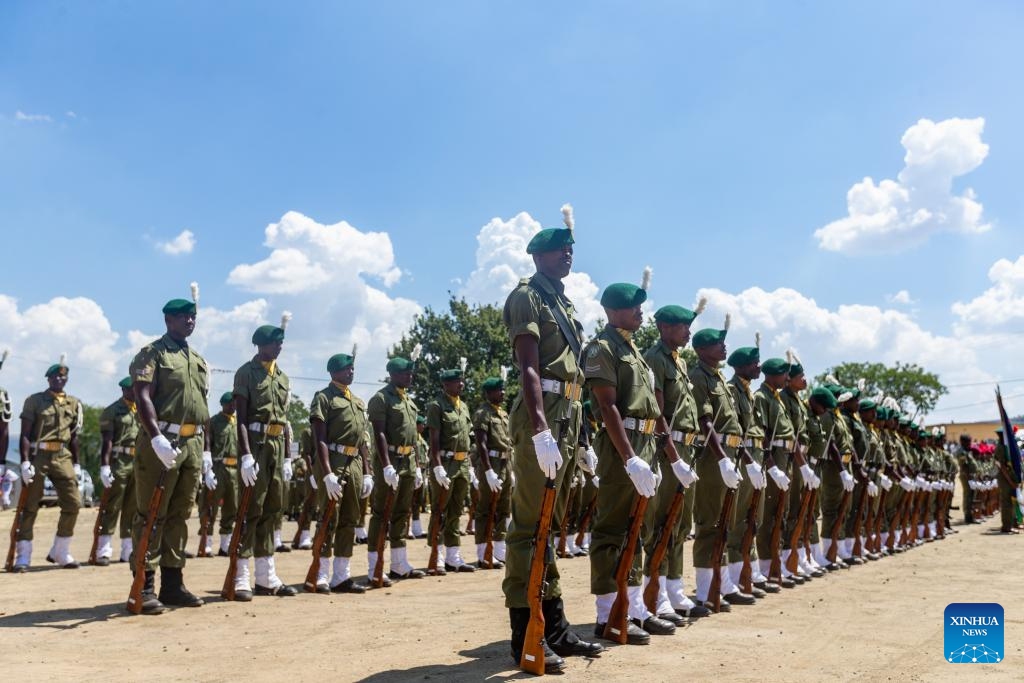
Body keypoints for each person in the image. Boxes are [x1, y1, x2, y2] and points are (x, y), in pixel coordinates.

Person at [501, 211, 603, 673]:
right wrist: (541, 427)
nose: (568, 255)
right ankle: (525, 633)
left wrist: (581, 436)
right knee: (529, 526)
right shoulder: (527, 298)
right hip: (543, 417)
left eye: (571, 249)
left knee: (552, 525)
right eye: (560, 249)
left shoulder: (563, 304)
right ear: (539, 255)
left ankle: (555, 625)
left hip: (569, 416)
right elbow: (529, 368)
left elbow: (576, 377)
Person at [585, 279, 694, 642]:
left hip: (646, 443)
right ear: (613, 310)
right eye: (634, 307)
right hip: (624, 446)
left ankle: (633, 607)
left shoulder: (632, 351)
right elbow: (607, 405)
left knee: (638, 528)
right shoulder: (603, 348)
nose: (640, 312)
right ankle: (606, 613)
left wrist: (670, 458)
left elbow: (655, 412)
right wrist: (630, 458)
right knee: (613, 530)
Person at [128, 287, 210, 612]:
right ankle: (143, 585)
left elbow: (201, 403)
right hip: (162, 440)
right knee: (151, 512)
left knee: (179, 513)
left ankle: (173, 584)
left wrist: (205, 450)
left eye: (193, 316)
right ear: (168, 320)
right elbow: (142, 395)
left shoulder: (197, 359)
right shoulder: (152, 354)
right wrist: (155, 436)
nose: (190, 321)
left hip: (193, 442)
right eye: (183, 316)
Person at [642, 303, 709, 620]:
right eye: (683, 326)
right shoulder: (656, 358)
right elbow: (657, 413)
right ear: (666, 327)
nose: (688, 332)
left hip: (686, 449)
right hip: (669, 450)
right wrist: (672, 458)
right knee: (662, 524)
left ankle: (674, 589)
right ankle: (656, 593)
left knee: (680, 525)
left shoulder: (678, 362)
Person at [230, 316, 297, 599]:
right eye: (275, 343)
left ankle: (266, 576)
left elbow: (283, 419)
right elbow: (241, 419)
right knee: (250, 510)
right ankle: (241, 577)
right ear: (261, 345)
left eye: (281, 342)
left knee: (272, 510)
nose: (280, 347)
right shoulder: (246, 373)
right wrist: (245, 455)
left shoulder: (281, 377)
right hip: (255, 445)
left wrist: (286, 457)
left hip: (276, 446)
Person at [688, 318, 745, 611]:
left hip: (728, 454)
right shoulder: (700, 376)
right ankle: (703, 590)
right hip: (713, 457)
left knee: (725, 522)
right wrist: (722, 459)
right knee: (710, 522)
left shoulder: (718, 377)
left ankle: (719, 584)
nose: (723, 346)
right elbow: (705, 421)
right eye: (716, 343)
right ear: (700, 349)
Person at [309, 351, 374, 593]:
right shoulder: (324, 398)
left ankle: (341, 575)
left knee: (350, 518)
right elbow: (320, 439)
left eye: (352, 368)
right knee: (329, 516)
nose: (351, 372)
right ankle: (321, 574)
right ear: (334, 371)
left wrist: (367, 472)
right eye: (346, 369)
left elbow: (363, 441)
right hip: (334, 460)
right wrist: (326, 473)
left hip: (354, 461)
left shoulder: (357, 401)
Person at [13, 356, 83, 571]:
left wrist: (78, 464)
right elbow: (25, 434)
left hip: (63, 456)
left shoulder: (74, 403)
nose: (59, 379)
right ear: (48, 378)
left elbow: (74, 437)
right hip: (39, 455)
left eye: (62, 376)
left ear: (67, 379)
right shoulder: (35, 401)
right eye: (55, 376)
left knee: (73, 503)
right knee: (30, 505)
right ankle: (23, 556)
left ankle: (60, 551)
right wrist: (25, 462)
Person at [366, 354, 425, 582]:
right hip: (390, 460)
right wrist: (386, 465)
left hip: (408, 461)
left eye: (411, 373)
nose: (409, 376)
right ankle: (375, 567)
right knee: (381, 514)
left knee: (402, 513)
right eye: (405, 373)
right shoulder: (381, 398)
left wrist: (418, 466)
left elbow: (414, 439)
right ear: (392, 374)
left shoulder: (409, 401)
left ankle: (399, 563)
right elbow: (379, 433)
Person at [723, 343, 771, 598]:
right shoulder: (732, 390)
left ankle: (746, 572)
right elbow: (737, 432)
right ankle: (732, 577)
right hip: (740, 456)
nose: (758, 367)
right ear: (741, 366)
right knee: (738, 520)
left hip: (752, 456)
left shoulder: (746, 391)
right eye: (754, 363)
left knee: (754, 519)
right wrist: (750, 462)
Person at [427, 366, 476, 573]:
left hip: (463, 464)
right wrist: (437, 466)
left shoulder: (463, 406)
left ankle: (453, 555)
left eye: (462, 381)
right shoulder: (436, 406)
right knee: (440, 510)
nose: (462, 384)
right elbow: (434, 440)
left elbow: (468, 438)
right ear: (446, 385)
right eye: (457, 381)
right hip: (445, 463)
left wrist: (471, 466)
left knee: (456, 510)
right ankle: (436, 555)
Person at [95, 377, 140, 565]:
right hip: (119, 461)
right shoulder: (113, 411)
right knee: (112, 506)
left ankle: (127, 549)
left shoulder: (143, 409)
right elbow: (107, 441)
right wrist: (105, 466)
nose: (134, 393)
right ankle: (104, 549)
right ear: (124, 390)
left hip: (137, 461)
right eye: (131, 390)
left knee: (133, 507)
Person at [472, 376, 514, 569]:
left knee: (504, 508)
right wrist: (488, 470)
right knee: (486, 509)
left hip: (506, 463)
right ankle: (483, 551)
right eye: (499, 390)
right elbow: (481, 443)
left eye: (503, 389)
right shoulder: (483, 413)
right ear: (489, 393)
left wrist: (510, 469)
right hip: (492, 462)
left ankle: (499, 550)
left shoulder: (503, 414)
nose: (503, 392)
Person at [210, 392, 240, 556]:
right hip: (218, 467)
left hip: (235, 469)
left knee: (232, 507)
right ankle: (206, 542)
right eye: (230, 404)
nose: (233, 407)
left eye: (234, 404)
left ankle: (225, 545)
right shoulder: (214, 422)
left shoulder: (238, 423)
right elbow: (208, 445)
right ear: (223, 404)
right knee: (210, 506)